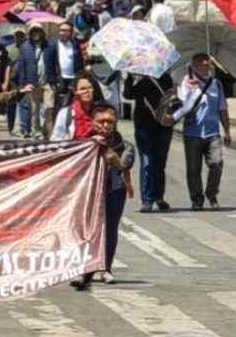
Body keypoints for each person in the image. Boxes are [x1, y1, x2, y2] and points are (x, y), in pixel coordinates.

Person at [71, 104, 134, 290]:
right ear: (92, 122)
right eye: (101, 121)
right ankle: (84, 269)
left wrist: (109, 152)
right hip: (88, 191)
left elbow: (124, 165)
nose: (105, 125)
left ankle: (106, 267)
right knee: (87, 229)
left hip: (114, 189)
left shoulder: (126, 146)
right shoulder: (83, 143)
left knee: (110, 228)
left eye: (110, 122)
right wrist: (90, 145)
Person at [173, 53, 231, 210]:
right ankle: (197, 199)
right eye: (202, 64)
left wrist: (227, 130)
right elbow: (182, 106)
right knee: (193, 169)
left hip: (212, 133)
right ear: (194, 66)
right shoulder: (186, 82)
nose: (206, 66)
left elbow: (223, 109)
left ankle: (211, 193)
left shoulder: (216, 84)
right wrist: (190, 91)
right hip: (192, 133)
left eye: (208, 64)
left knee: (217, 163)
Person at [123, 72, 175, 213]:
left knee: (160, 162)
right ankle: (147, 200)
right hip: (143, 126)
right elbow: (128, 95)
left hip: (163, 125)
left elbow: (171, 97)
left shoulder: (165, 77)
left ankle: (159, 197)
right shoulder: (139, 79)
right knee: (147, 161)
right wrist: (129, 78)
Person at [43, 21, 84, 140]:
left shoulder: (75, 45)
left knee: (71, 107)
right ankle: (52, 133)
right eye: (61, 30)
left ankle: (69, 131)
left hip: (72, 79)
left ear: (71, 32)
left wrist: (79, 78)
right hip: (58, 80)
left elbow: (80, 64)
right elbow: (49, 64)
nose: (64, 33)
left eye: (66, 30)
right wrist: (52, 81)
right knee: (55, 107)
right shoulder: (52, 45)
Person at [14, 23, 48, 139]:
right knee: (34, 110)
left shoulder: (48, 45)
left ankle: (47, 129)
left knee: (49, 108)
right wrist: (22, 84)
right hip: (32, 82)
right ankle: (36, 131)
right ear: (30, 33)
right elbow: (21, 67)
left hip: (47, 81)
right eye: (34, 31)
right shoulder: (25, 47)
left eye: (38, 31)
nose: (36, 34)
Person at [52, 72, 103, 141]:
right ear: (75, 91)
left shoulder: (101, 112)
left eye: (90, 88)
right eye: (82, 89)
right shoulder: (65, 113)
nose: (87, 91)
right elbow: (56, 139)